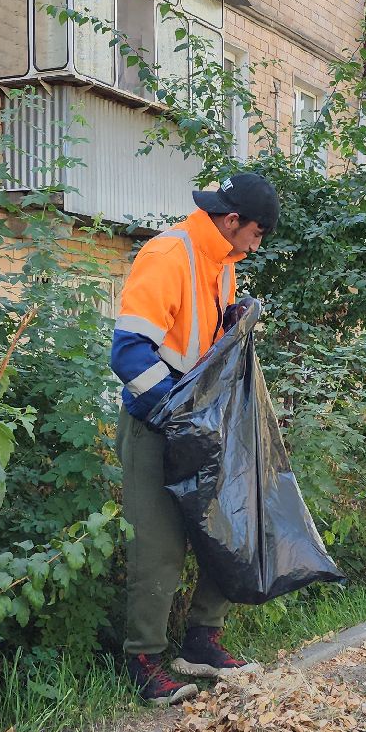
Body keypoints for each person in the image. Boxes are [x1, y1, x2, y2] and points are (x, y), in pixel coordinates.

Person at [109, 173, 281, 704]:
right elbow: (130, 352)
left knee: (226, 527)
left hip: (199, 423)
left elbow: (200, 342)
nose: (257, 244)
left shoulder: (221, 263)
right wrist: (171, 414)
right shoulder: (168, 254)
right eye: (257, 233)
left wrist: (232, 319)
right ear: (232, 221)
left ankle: (202, 643)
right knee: (159, 548)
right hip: (155, 427)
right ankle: (143, 660)